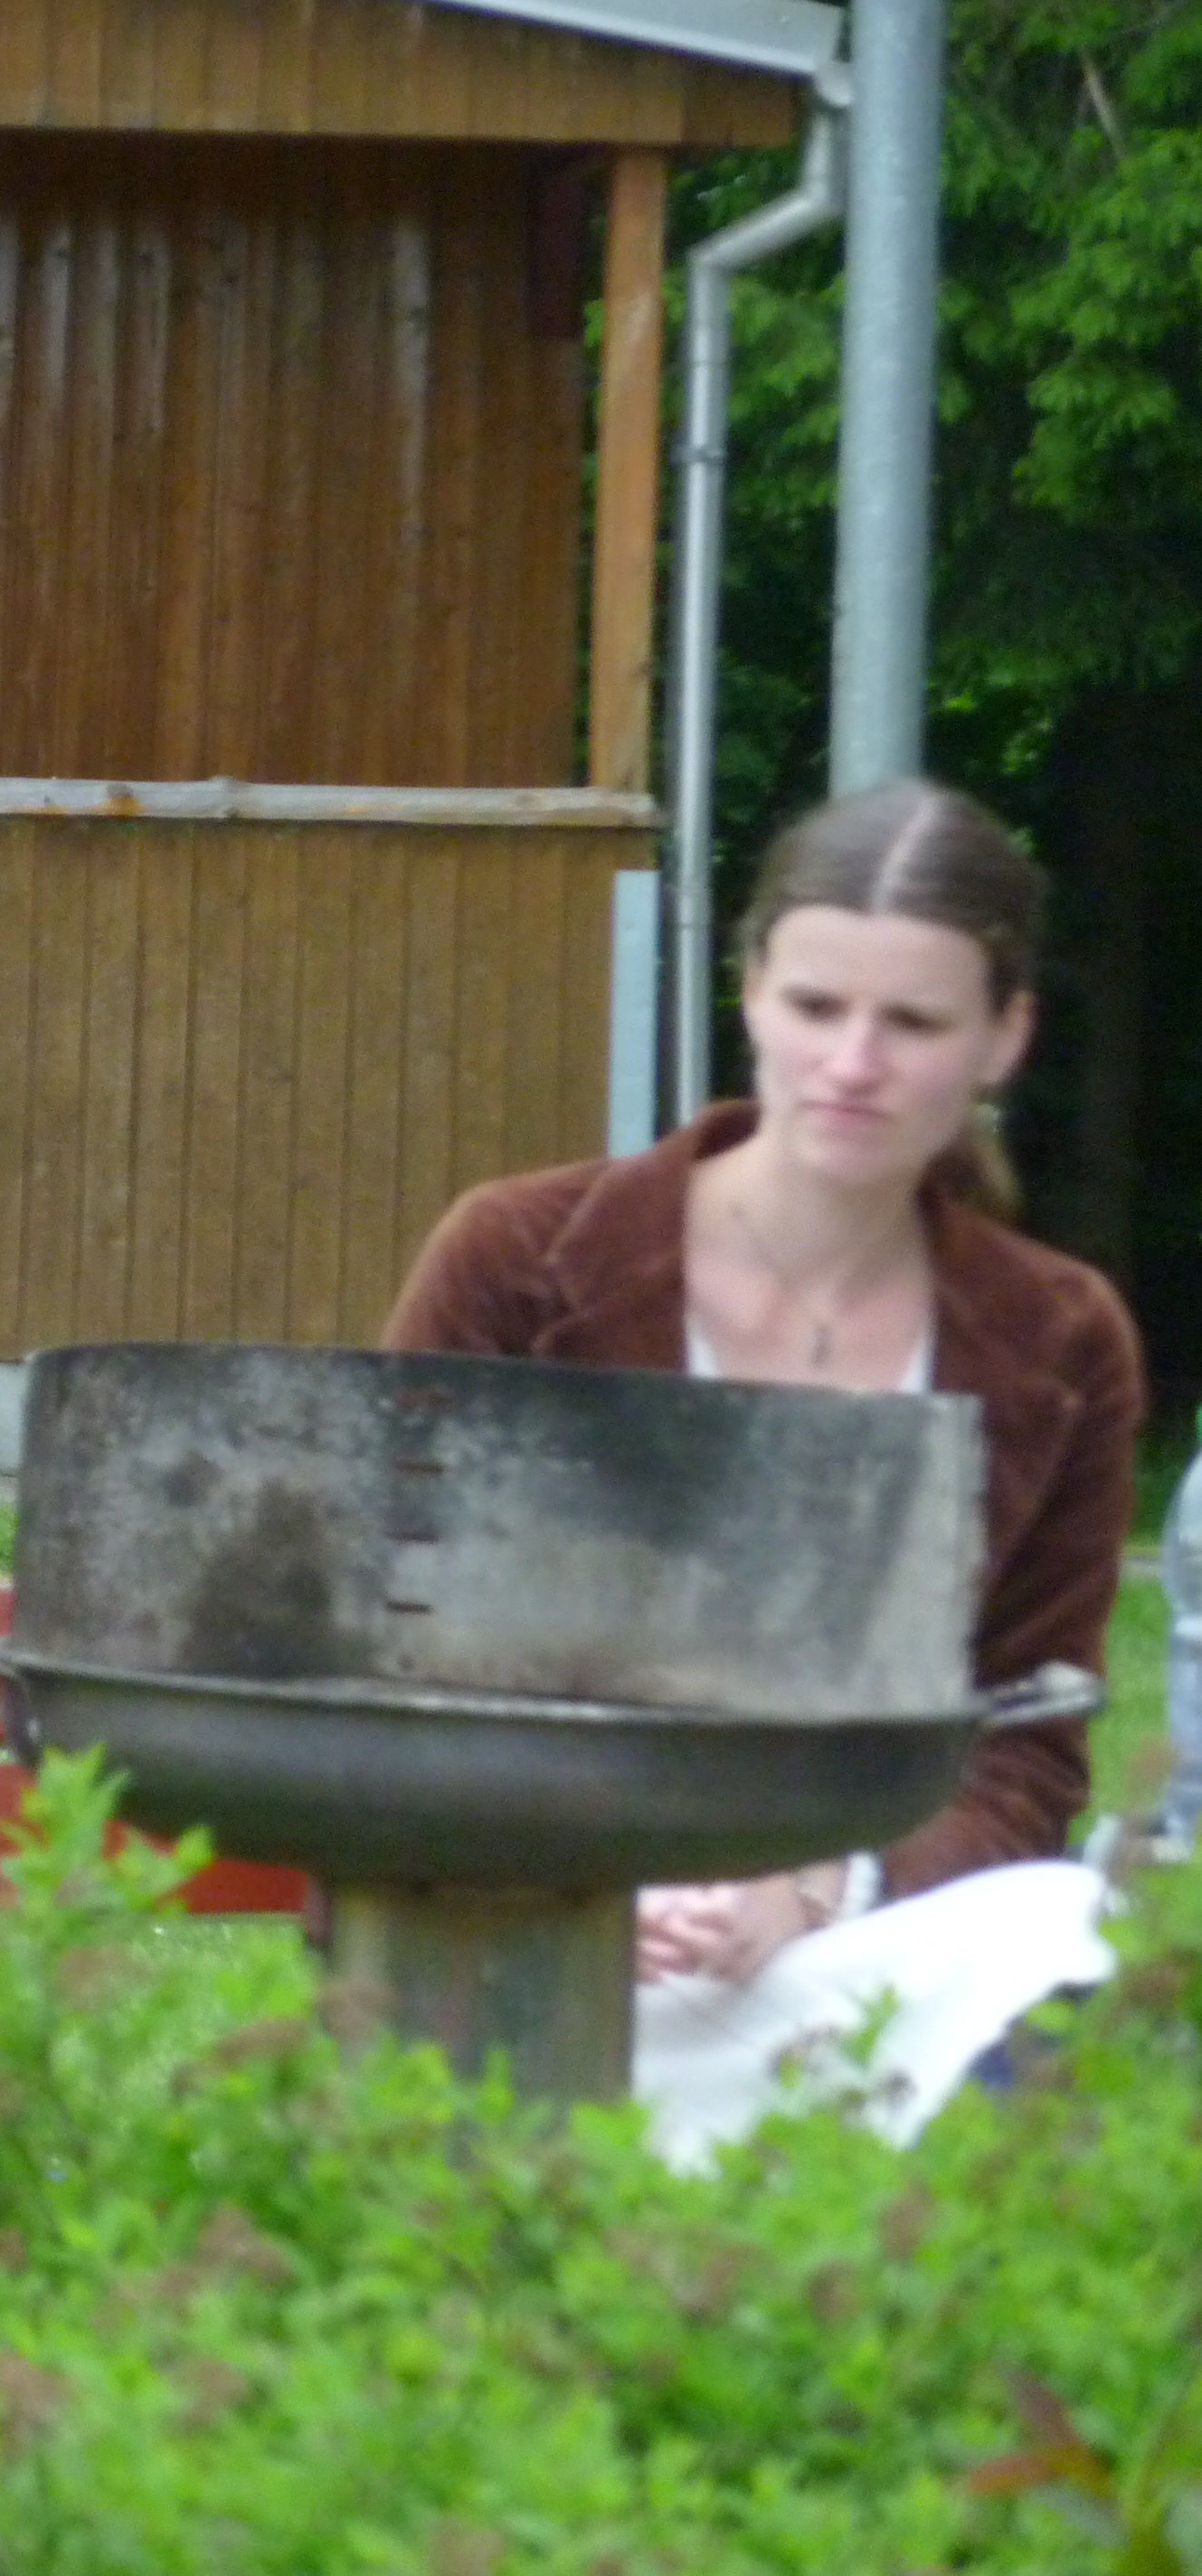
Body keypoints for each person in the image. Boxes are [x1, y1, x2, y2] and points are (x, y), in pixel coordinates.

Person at [386, 779, 1143, 1994]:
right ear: (750, 992)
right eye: (815, 1006)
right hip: (523, 1913)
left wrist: (815, 1891)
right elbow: (381, 1660)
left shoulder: (1060, 1340)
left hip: (856, 1939)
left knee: (1060, 1929)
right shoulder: (517, 1262)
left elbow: (1025, 1753)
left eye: (914, 1022)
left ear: (1005, 1038)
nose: (853, 1063)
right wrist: (588, 1882)